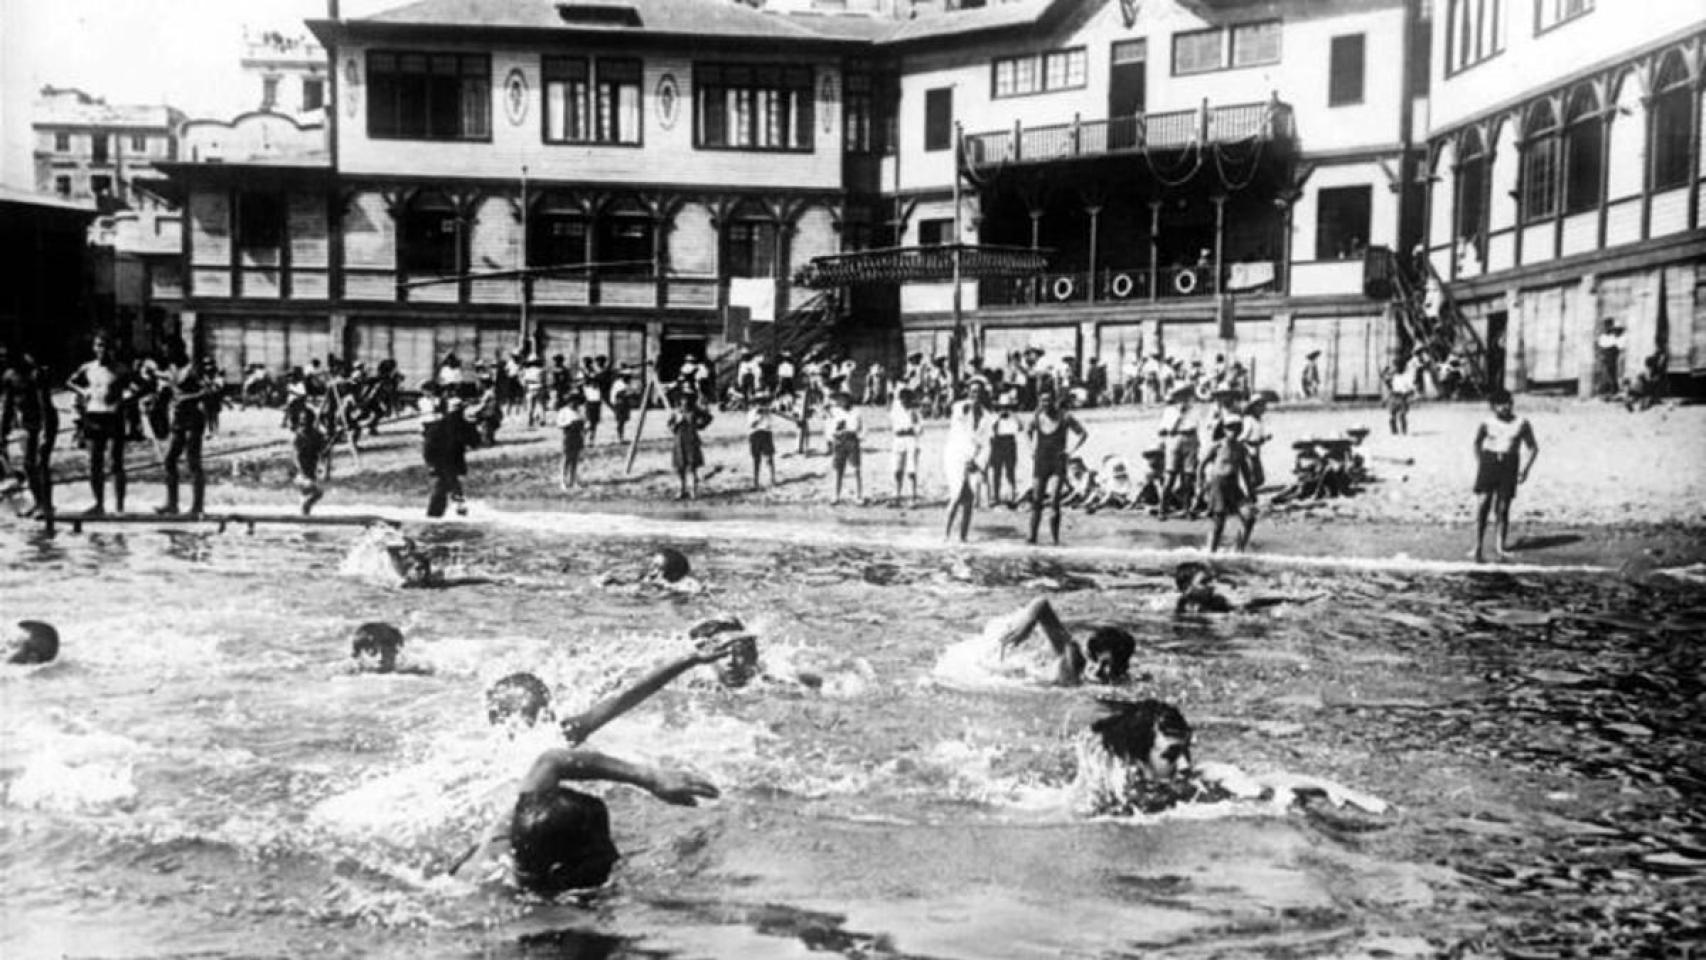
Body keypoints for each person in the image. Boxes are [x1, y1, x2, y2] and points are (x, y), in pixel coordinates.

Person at [451, 637, 743, 894]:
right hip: (516, 850)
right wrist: (651, 777)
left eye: (542, 714)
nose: (541, 722)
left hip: (519, 846)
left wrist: (687, 660)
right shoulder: (533, 756)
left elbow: (622, 700)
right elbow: (615, 706)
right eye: (533, 715)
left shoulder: (529, 746)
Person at [935, 597, 1137, 687]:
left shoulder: (1119, 681)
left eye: (1108, 666)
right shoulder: (1075, 661)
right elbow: (1042, 604)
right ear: (1090, 657)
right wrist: (1027, 624)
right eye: (1099, 662)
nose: (1099, 670)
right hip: (997, 667)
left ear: (1122, 668)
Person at [66, 333, 137, 515]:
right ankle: (98, 504)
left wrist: (128, 399)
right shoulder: (88, 368)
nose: (102, 350)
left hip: (113, 417)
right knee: (94, 463)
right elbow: (70, 382)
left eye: (106, 346)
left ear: (112, 348)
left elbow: (144, 385)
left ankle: (119, 506)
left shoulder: (121, 369)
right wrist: (83, 392)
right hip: (93, 416)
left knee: (115, 462)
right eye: (98, 346)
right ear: (94, 348)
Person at [1471, 389, 1539, 563]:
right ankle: (1478, 545)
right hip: (1490, 460)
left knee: (1503, 507)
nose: (1505, 407)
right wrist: (1481, 462)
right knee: (1483, 504)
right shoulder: (1487, 423)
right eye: (1501, 405)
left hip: (1509, 463)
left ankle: (1500, 546)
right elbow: (1477, 442)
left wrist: (1525, 469)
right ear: (1493, 407)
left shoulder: (1522, 423)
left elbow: (1532, 447)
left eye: (1508, 403)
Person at [153, 338, 210, 516]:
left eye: (169, 351)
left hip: (194, 419)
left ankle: (197, 507)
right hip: (178, 420)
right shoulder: (171, 370)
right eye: (165, 351)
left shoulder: (194, 369)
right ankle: (172, 504)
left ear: (179, 350)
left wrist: (187, 398)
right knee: (170, 460)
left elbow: (209, 391)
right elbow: (168, 389)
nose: (167, 354)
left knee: (193, 462)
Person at [1, 350, 59, 519]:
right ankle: (38, 502)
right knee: (28, 464)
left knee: (41, 462)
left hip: (45, 420)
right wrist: (2, 433)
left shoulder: (36, 373)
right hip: (28, 424)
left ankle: (47, 505)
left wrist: (45, 432)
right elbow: (8, 406)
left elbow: (44, 404)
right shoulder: (9, 376)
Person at [1198, 419, 1258, 553]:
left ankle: (1239, 548)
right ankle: (1211, 551)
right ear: (1224, 430)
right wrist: (1199, 485)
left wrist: (1251, 490)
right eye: (1230, 428)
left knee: (1249, 518)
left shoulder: (1241, 448)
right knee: (1219, 522)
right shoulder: (1217, 446)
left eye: (1237, 429)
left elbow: (1245, 470)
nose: (1234, 432)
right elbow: (1201, 465)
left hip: (1233, 485)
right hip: (1218, 484)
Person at [941, 393, 984, 542]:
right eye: (972, 392)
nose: (975, 397)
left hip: (971, 457)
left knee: (969, 498)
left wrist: (976, 460)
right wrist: (968, 404)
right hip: (956, 458)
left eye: (977, 393)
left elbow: (982, 441)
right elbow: (959, 408)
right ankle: (945, 535)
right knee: (956, 494)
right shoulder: (960, 410)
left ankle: (962, 537)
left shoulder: (983, 416)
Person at [423, 393, 473, 518]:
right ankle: (453, 511)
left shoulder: (459, 424)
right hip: (443, 461)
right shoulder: (440, 426)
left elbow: (473, 440)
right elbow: (428, 447)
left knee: (445, 486)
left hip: (451, 461)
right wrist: (432, 463)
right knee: (448, 486)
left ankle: (439, 513)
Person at [1156, 384, 1200, 520]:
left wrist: (1198, 443)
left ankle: (1186, 509)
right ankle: (1162, 509)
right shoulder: (1170, 411)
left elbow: (1196, 426)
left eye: (1186, 395)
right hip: (1174, 439)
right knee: (1170, 475)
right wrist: (1179, 415)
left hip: (1190, 439)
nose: (1185, 399)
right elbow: (1164, 429)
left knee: (1188, 477)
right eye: (1181, 396)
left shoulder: (1194, 410)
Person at [667, 392, 712, 500]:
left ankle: (693, 491)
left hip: (691, 440)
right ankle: (682, 490)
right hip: (679, 440)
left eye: (686, 399)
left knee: (692, 466)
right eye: (682, 399)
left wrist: (699, 425)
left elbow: (708, 418)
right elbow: (670, 426)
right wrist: (677, 422)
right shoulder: (676, 412)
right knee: (680, 466)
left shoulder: (695, 411)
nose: (684, 401)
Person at [985, 392, 1022, 507]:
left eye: (1006, 407)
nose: (1004, 410)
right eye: (1002, 407)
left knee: (1010, 472)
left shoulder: (1013, 418)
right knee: (997, 472)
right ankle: (996, 496)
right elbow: (990, 431)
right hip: (997, 443)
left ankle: (1012, 495)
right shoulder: (994, 417)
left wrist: (1013, 415)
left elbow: (1020, 428)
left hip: (1009, 443)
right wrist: (998, 417)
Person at [827, 392, 863, 504]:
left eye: (844, 399)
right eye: (840, 400)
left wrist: (855, 434)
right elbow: (829, 428)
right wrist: (833, 436)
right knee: (838, 470)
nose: (842, 402)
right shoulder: (835, 412)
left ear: (849, 400)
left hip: (852, 441)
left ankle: (859, 495)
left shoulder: (856, 412)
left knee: (855, 469)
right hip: (839, 442)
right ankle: (836, 495)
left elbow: (860, 428)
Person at [889, 388, 922, 505]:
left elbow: (920, 428)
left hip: (911, 440)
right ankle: (897, 495)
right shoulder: (895, 411)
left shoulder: (914, 412)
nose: (904, 401)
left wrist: (912, 427)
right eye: (902, 398)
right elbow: (894, 426)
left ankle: (912, 497)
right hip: (898, 440)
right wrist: (899, 430)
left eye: (907, 398)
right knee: (897, 469)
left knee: (911, 470)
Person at [293, 412, 328, 515]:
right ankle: (304, 510)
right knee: (318, 492)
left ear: (311, 421)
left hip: (311, 472)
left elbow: (323, 453)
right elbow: (296, 456)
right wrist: (301, 471)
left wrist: (325, 468)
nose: (303, 422)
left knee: (305, 497)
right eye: (302, 419)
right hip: (300, 474)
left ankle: (304, 520)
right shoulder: (299, 436)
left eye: (306, 419)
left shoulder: (317, 435)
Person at [746, 391, 778, 490]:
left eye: (763, 402)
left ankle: (772, 479)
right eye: (759, 402)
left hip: (766, 434)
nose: (761, 404)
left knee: (769, 458)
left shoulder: (768, 412)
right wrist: (759, 417)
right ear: (755, 403)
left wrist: (767, 412)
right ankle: (756, 482)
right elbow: (751, 425)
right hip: (755, 435)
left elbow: (769, 425)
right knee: (756, 460)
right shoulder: (751, 412)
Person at [556, 393, 587, 491]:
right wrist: (569, 424)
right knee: (566, 459)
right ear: (569, 402)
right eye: (573, 401)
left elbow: (584, 422)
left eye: (576, 402)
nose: (575, 403)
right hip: (568, 436)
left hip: (577, 436)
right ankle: (563, 481)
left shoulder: (579, 411)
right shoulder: (564, 411)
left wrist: (583, 426)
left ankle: (573, 480)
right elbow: (559, 424)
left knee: (575, 459)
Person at [1386, 355, 1416, 436]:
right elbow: (1388, 384)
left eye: (1400, 365)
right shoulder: (1393, 375)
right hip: (1394, 396)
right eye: (1396, 365)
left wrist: (1410, 397)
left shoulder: (1407, 376)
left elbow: (1411, 388)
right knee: (1392, 415)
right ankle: (1394, 431)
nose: (1398, 367)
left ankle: (1404, 431)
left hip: (1403, 397)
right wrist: (1387, 380)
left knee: (1402, 415)